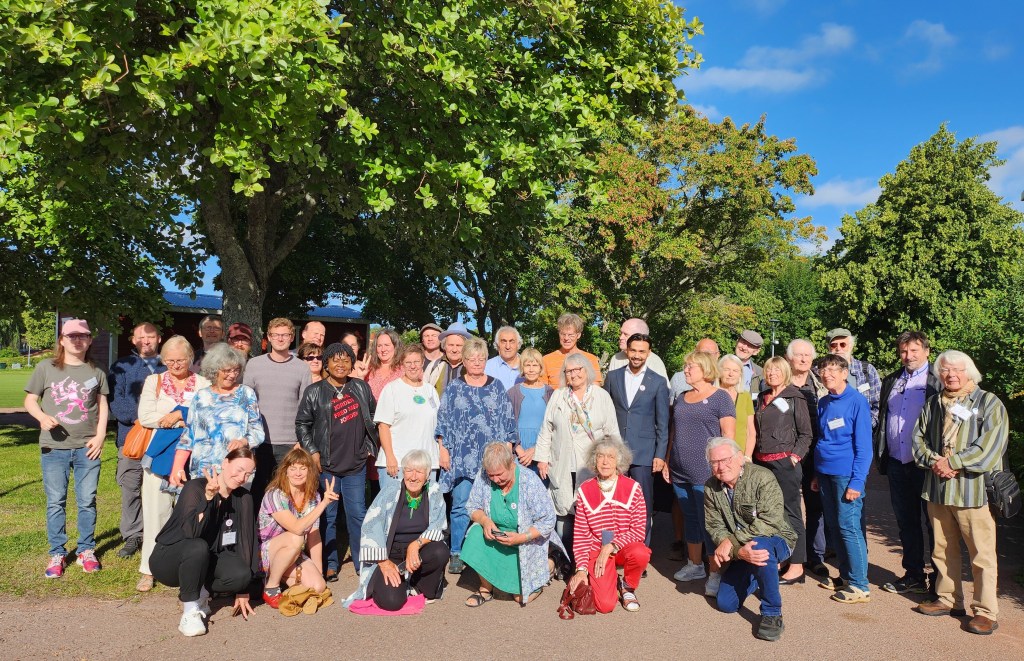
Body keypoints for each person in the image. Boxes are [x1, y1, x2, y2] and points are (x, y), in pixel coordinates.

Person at [912, 351, 1007, 635]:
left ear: (970, 372)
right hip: (938, 489)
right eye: (945, 370)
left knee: (981, 554)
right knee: (942, 549)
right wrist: (936, 462)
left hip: (972, 491)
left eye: (957, 370)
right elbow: (917, 440)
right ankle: (948, 599)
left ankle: (985, 611)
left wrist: (953, 462)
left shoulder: (988, 402)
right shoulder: (933, 403)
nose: (951, 375)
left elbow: (990, 447)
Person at [25, 319, 110, 578]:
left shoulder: (97, 371)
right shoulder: (46, 367)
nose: (77, 340)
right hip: (54, 448)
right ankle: (57, 553)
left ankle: (86, 550)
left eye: (83, 336)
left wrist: (100, 436)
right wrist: (41, 417)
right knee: (55, 502)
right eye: (71, 336)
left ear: (89, 340)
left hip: (87, 448)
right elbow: (30, 400)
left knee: (87, 501)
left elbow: (102, 406)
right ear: (62, 340)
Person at [149, 447, 259, 637]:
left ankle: (201, 592)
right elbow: (191, 532)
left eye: (248, 474)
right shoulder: (196, 487)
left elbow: (247, 541)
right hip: (170, 559)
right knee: (198, 546)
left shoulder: (244, 497)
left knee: (242, 575)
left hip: (207, 559)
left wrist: (243, 589)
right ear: (225, 463)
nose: (242, 477)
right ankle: (189, 611)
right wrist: (208, 498)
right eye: (239, 469)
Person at [135, 336, 211, 592]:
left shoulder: (203, 383)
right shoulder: (154, 381)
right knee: (155, 513)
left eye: (180, 360)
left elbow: (206, 415)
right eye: (169, 360)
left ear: (190, 358)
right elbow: (146, 417)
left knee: (189, 515)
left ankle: (186, 566)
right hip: (160, 456)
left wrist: (179, 414)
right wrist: (182, 420)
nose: (175, 365)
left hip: (193, 457)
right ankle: (148, 569)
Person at [296, 342, 378, 582]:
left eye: (346, 360)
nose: (341, 364)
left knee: (357, 514)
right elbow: (302, 423)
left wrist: (369, 445)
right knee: (328, 516)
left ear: (352, 364)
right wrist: (312, 451)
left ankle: (363, 562)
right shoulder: (315, 391)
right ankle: (330, 563)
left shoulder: (361, 387)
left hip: (355, 465)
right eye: (335, 360)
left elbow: (373, 416)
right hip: (326, 466)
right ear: (327, 364)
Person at [435, 337, 516, 574]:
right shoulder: (454, 387)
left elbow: (508, 421)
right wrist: (443, 449)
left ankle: (490, 553)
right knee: (460, 506)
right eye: (472, 358)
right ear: (464, 361)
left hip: (493, 460)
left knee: (493, 507)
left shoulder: (497, 386)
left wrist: (508, 452)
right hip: (462, 459)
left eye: (481, 358)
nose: (477, 362)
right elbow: (443, 421)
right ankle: (456, 552)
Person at [705, 437, 796, 642]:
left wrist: (732, 542)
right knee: (726, 604)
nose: (721, 467)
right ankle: (759, 573)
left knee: (759, 547)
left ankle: (772, 613)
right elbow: (714, 526)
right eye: (714, 462)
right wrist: (738, 551)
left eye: (726, 459)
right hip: (742, 548)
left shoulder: (762, 477)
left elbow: (770, 522)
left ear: (740, 458)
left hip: (777, 537)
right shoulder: (711, 487)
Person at [664, 350, 735, 596]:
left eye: (690, 366)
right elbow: (674, 432)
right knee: (691, 518)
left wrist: (725, 467)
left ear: (705, 370)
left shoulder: (720, 397)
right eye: (685, 366)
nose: (685, 370)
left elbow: (728, 436)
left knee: (710, 522)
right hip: (679, 470)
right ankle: (695, 565)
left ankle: (715, 572)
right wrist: (667, 460)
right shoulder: (682, 398)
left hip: (706, 472)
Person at [534, 353, 621, 553]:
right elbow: (546, 429)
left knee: (592, 509)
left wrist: (614, 463)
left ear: (586, 370)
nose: (573, 374)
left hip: (592, 464)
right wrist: (542, 459)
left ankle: (590, 557)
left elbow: (612, 433)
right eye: (569, 371)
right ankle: (564, 558)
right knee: (563, 510)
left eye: (577, 369)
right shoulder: (558, 396)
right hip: (562, 462)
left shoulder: (601, 396)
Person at [462, 443, 567, 607]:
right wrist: (485, 521)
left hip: (527, 540)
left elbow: (547, 520)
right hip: (497, 537)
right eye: (491, 475)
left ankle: (550, 563)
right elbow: (472, 507)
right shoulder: (483, 475)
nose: (495, 480)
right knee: (475, 532)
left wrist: (522, 537)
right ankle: (485, 588)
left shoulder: (529, 480)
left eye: (499, 474)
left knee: (521, 597)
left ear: (511, 464)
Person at [876, 331, 941, 595]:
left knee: (934, 524)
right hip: (897, 461)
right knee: (906, 522)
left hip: (927, 465)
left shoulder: (937, 380)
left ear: (927, 351)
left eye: (914, 350)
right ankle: (913, 575)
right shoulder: (892, 380)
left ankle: (939, 581)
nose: (908, 356)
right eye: (903, 351)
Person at [344, 451, 450, 611]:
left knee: (440, 551)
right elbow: (371, 525)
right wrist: (384, 563)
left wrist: (415, 545)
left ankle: (417, 586)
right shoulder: (390, 490)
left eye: (419, 471)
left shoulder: (434, 491)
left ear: (427, 475)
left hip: (419, 553)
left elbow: (438, 525)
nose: (413, 477)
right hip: (389, 556)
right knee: (392, 602)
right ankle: (398, 583)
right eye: (409, 470)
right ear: (403, 472)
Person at [813, 354, 871, 604]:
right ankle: (846, 577)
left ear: (845, 373)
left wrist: (857, 482)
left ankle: (860, 585)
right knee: (835, 526)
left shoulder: (857, 401)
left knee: (849, 527)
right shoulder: (824, 401)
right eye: (823, 370)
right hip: (825, 473)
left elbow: (864, 447)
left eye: (833, 370)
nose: (827, 374)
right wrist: (816, 473)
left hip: (846, 474)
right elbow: (823, 438)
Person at [567, 439, 651, 613]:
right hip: (596, 551)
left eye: (611, 457)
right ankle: (606, 579)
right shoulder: (585, 490)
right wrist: (581, 569)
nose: (605, 462)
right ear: (594, 459)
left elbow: (638, 531)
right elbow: (581, 535)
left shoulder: (633, 488)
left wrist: (612, 545)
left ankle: (627, 587)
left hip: (622, 548)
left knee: (640, 553)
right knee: (605, 605)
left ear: (618, 461)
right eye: (600, 456)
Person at [170, 343, 265, 489]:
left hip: (237, 471)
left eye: (236, 370)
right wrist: (177, 466)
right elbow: (189, 434)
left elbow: (257, 430)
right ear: (214, 370)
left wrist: (243, 441)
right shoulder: (201, 396)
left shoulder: (246, 394)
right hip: (203, 470)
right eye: (227, 370)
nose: (232, 375)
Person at [604, 333, 669, 546]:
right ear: (627, 351)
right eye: (633, 350)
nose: (637, 355)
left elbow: (663, 422)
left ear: (649, 353)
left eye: (642, 351)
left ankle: (640, 552)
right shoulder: (612, 377)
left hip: (644, 453)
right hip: (615, 452)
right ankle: (613, 551)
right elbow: (605, 414)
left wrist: (660, 454)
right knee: (612, 504)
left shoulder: (658, 382)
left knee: (643, 505)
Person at [108, 322, 166, 560]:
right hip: (132, 436)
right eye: (141, 337)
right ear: (133, 340)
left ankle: (161, 533)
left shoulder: (169, 364)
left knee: (162, 488)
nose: (146, 341)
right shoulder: (122, 366)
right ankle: (133, 534)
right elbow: (117, 402)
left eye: (150, 336)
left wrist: (161, 422)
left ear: (159, 338)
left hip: (163, 437)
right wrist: (143, 419)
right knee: (131, 486)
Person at [753, 356, 812, 584]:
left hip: (784, 464)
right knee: (771, 514)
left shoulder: (795, 397)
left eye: (777, 370)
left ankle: (797, 565)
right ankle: (781, 557)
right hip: (762, 463)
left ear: (785, 372)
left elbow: (806, 434)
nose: (772, 374)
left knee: (791, 513)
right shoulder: (762, 397)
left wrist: (794, 458)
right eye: (768, 370)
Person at [243, 318, 312, 503]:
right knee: (257, 490)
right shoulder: (254, 365)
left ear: (292, 337)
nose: (280, 339)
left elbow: (305, 408)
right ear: (268, 337)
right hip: (259, 441)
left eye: (285, 335)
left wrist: (301, 440)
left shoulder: (302, 368)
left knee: (285, 493)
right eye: (276, 335)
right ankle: (254, 523)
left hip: (290, 443)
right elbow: (246, 403)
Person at [258, 448, 334, 609]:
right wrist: (324, 504)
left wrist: (319, 572)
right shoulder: (275, 494)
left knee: (318, 587)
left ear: (309, 471)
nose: (297, 473)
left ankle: (283, 579)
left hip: (294, 553)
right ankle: (271, 587)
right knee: (296, 537)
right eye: (293, 468)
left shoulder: (313, 496)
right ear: (285, 471)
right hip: (266, 553)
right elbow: (297, 529)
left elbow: (314, 535)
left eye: (303, 468)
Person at [787, 338, 829, 578]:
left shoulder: (821, 384)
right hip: (787, 455)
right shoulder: (779, 382)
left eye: (807, 355)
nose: (803, 359)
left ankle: (815, 556)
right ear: (789, 358)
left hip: (815, 454)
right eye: (798, 355)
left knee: (815, 506)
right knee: (788, 505)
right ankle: (790, 555)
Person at [375, 344, 440, 492]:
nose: (413, 366)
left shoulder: (430, 390)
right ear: (402, 365)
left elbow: (438, 427)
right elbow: (383, 426)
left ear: (422, 363)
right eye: (408, 362)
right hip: (397, 464)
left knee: (425, 506)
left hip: (426, 465)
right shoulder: (392, 389)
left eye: (416, 362)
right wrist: (390, 457)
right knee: (393, 506)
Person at [508, 347, 554, 475]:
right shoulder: (513, 392)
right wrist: (519, 449)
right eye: (527, 365)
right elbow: (507, 424)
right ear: (522, 368)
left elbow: (555, 426)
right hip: (519, 452)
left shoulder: (550, 393)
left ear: (541, 368)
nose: (531, 369)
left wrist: (536, 450)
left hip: (543, 450)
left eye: (535, 365)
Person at [825, 328, 882, 429]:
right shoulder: (823, 374)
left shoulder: (867, 370)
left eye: (843, 344)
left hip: (864, 431)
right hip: (835, 433)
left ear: (851, 346)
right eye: (834, 345)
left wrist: (864, 426)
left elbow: (878, 404)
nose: (838, 349)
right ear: (829, 348)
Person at [542, 313, 603, 388]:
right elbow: (542, 390)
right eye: (563, 334)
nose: (566, 338)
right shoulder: (546, 360)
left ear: (578, 335)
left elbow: (595, 389)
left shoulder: (591, 359)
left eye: (571, 335)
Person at [718, 354, 756, 457]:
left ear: (740, 374)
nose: (731, 374)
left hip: (740, 455)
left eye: (735, 371)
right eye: (727, 370)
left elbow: (750, 431)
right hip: (716, 454)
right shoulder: (712, 394)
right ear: (719, 371)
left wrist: (747, 456)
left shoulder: (745, 396)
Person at [365, 329, 405, 400]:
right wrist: (361, 377)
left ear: (395, 346)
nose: (383, 349)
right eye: (379, 346)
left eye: (387, 345)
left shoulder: (404, 370)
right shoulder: (368, 368)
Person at [432, 322, 471, 395]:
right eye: (451, 345)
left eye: (458, 345)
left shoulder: (473, 366)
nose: (454, 350)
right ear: (444, 346)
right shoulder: (434, 365)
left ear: (466, 347)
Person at [485, 325, 522, 391]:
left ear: (518, 344)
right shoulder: (487, 367)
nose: (507, 346)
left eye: (511, 341)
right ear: (497, 345)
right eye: (503, 341)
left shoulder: (529, 365)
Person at [735, 330, 764, 394]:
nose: (744, 348)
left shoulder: (760, 374)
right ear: (737, 341)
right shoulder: (719, 366)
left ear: (756, 351)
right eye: (743, 342)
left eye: (750, 346)